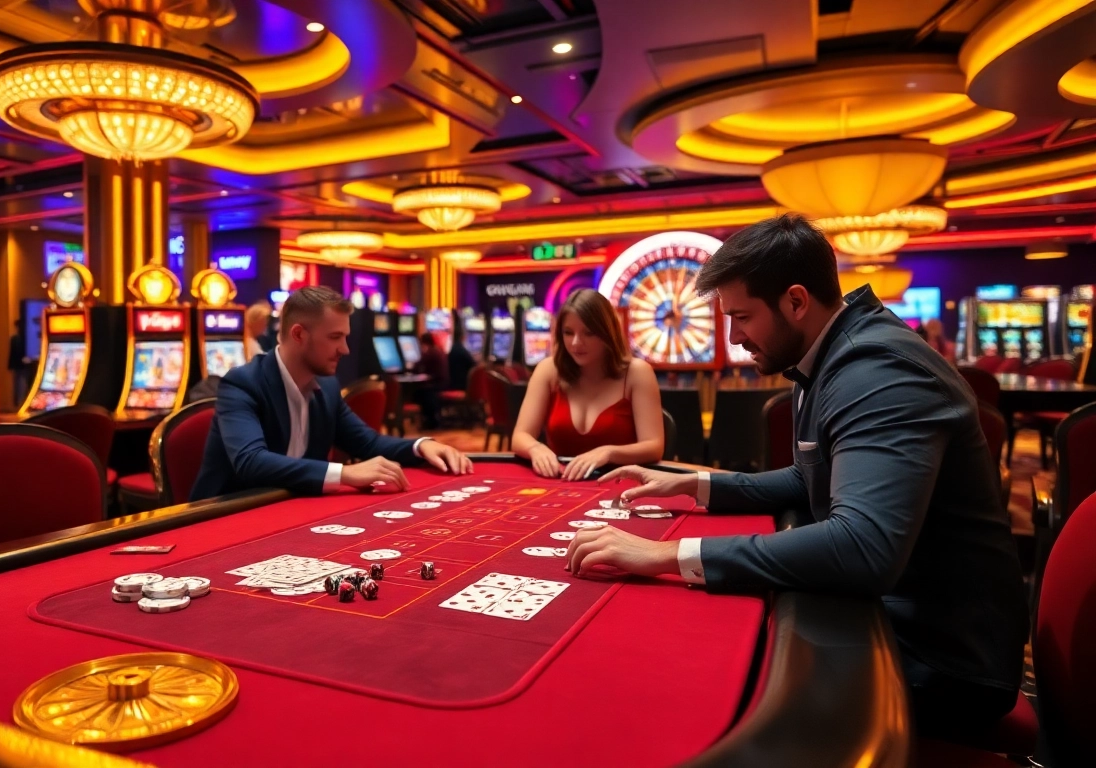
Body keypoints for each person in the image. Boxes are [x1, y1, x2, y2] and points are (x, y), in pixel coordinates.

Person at [566, 214, 1027, 743]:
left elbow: (863, 547)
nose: (735, 337)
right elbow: (814, 478)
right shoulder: (827, 352)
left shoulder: (877, 371)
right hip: (899, 613)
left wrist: (666, 554)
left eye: (742, 317)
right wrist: (692, 483)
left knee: (700, 682)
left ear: (796, 301)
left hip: (946, 658)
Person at [190, 286, 473, 501]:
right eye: (335, 337)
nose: (345, 349)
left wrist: (421, 446)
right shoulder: (243, 384)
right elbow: (251, 461)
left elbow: (368, 442)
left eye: (345, 337)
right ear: (299, 335)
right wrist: (345, 473)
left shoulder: (326, 387)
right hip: (226, 514)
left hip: (290, 507)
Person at [511, 289, 665, 480]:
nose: (576, 342)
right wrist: (535, 448)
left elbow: (654, 446)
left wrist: (608, 453)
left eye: (588, 333)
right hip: (560, 482)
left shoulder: (637, 373)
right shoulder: (549, 370)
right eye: (568, 332)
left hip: (620, 484)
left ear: (607, 332)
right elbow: (520, 436)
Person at [415, 333, 448, 429]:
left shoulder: (430, 352)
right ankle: (430, 419)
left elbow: (417, 366)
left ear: (424, 342)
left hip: (437, 384)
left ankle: (430, 420)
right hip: (442, 382)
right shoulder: (437, 350)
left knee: (420, 391)